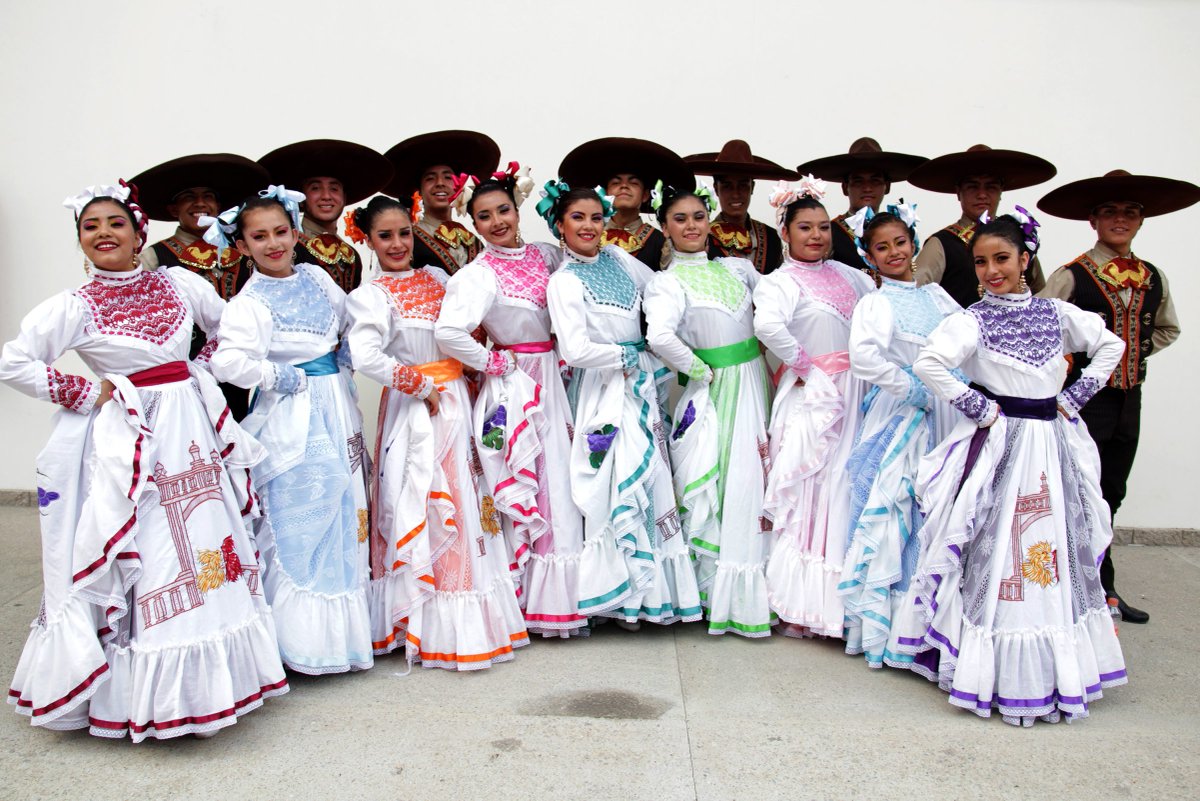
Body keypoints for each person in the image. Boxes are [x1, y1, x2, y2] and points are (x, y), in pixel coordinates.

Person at [0, 182, 287, 740]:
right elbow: (14, 361)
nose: (104, 233)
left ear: (139, 234)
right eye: (90, 227)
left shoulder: (179, 282)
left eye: (115, 223)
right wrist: (87, 392)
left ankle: (214, 688)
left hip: (192, 427)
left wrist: (202, 366)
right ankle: (145, 693)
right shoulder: (74, 305)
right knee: (152, 547)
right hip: (132, 438)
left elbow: (228, 325)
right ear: (80, 241)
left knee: (205, 540)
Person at [898, 211, 1127, 725]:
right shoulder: (972, 320)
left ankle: (1052, 666)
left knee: (1053, 544)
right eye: (981, 262)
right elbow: (929, 363)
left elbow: (1110, 343)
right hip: (1004, 445)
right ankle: (995, 666)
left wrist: (1075, 397)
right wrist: (979, 408)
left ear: (1025, 260)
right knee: (1000, 546)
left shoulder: (1055, 313)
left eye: (1001, 258)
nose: (991, 270)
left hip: (1052, 444)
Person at [344, 195, 529, 668]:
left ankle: (472, 615)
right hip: (418, 408)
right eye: (385, 236)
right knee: (428, 501)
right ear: (368, 240)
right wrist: (418, 384)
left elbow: (466, 330)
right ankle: (430, 621)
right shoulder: (370, 296)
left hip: (458, 399)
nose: (397, 244)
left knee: (470, 502)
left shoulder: (438, 279)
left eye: (404, 233)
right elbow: (365, 356)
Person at [210, 186, 374, 675]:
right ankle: (297, 644)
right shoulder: (249, 302)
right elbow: (228, 361)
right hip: (293, 416)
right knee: (301, 518)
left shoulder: (317, 278)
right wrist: (280, 376)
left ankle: (342, 641)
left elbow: (350, 320)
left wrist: (349, 354)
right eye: (259, 237)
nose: (273, 244)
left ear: (297, 233)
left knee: (345, 511)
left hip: (337, 406)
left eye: (281, 232)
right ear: (242, 245)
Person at [1037, 169, 1199, 624]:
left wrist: (1131, 352)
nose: (1120, 219)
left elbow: (1167, 328)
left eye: (1129, 212)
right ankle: (1083, 590)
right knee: (1077, 492)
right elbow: (1043, 329)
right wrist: (1076, 364)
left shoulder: (1153, 276)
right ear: (1093, 220)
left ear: (1141, 220)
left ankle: (1099, 586)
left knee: (1112, 493)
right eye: (1109, 211)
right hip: (1086, 403)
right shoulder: (1071, 275)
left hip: (1130, 401)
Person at [435, 164, 589, 639]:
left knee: (565, 477)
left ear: (518, 209)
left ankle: (574, 592)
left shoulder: (547, 255)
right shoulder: (477, 275)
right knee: (537, 479)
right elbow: (448, 332)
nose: (497, 222)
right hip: (518, 385)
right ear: (473, 223)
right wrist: (492, 361)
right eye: (484, 216)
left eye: (503, 210)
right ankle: (537, 598)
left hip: (558, 374)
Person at [540, 181, 703, 627]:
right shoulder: (564, 280)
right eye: (578, 218)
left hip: (639, 383)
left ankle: (652, 596)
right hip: (602, 389)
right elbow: (574, 349)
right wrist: (627, 357)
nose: (589, 226)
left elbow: (663, 284)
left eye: (596, 217)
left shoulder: (617, 258)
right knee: (613, 483)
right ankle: (618, 594)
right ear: (559, 225)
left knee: (651, 480)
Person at [645, 180, 773, 637]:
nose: (691, 226)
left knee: (761, 474)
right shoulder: (665, 282)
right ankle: (723, 592)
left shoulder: (738, 268)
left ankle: (765, 585)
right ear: (664, 227)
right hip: (719, 388)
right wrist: (701, 371)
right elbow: (660, 337)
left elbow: (775, 304)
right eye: (680, 219)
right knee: (730, 480)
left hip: (755, 378)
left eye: (699, 217)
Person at [839, 202, 962, 665]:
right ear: (868, 256)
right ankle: (890, 629)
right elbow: (864, 358)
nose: (893, 253)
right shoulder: (876, 302)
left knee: (939, 507)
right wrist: (911, 386)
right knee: (898, 506)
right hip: (902, 412)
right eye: (881, 247)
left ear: (914, 243)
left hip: (946, 410)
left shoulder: (938, 297)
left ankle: (930, 623)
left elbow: (967, 340)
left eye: (900, 243)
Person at [752, 177, 875, 639]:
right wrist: (807, 368)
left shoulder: (852, 275)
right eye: (805, 227)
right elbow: (768, 328)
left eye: (823, 227)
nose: (817, 235)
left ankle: (845, 600)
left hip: (858, 391)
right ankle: (805, 603)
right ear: (785, 232)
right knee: (812, 490)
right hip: (814, 395)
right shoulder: (780, 282)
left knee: (846, 487)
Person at [133, 152, 269, 420]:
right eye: (189, 197)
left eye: (208, 196)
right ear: (174, 209)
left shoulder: (243, 251)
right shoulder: (154, 257)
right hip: (185, 375)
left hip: (241, 368)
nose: (200, 203)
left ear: (219, 206)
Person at [909, 144, 1055, 308]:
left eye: (991, 187)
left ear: (1001, 192)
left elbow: (1042, 296)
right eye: (972, 187)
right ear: (958, 192)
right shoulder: (942, 243)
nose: (982, 194)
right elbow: (914, 296)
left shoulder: (1018, 239)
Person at [259, 139, 393, 293]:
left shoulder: (351, 255)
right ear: (300, 198)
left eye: (334, 189)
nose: (326, 196)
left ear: (344, 198)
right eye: (315, 188)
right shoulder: (287, 247)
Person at [559, 137, 694, 271]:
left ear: (645, 195)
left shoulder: (661, 241)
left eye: (633, 183)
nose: (624, 186)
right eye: (616, 182)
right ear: (605, 194)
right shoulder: (589, 233)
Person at [796, 137, 927, 273]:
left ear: (887, 186)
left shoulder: (897, 229)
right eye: (858, 182)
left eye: (875, 181)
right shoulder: (829, 233)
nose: (867, 188)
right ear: (845, 188)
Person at [383, 130, 501, 276]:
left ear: (458, 186)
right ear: (419, 190)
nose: (440, 183)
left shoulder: (474, 242)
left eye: (448, 177)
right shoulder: (407, 238)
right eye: (430, 178)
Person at [684, 140, 795, 273]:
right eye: (727, 186)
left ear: (752, 187)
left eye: (743, 185)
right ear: (716, 189)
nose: (735, 194)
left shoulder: (771, 237)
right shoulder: (701, 238)